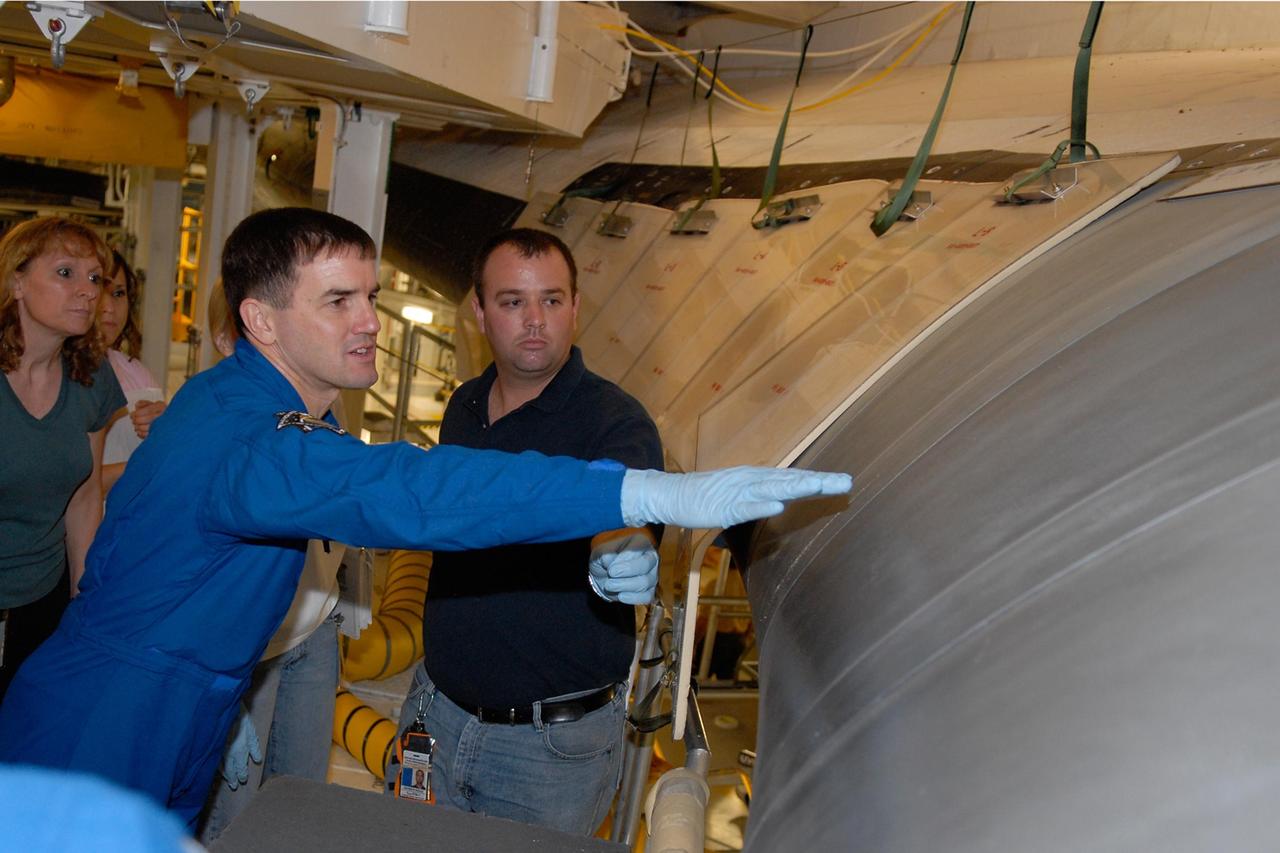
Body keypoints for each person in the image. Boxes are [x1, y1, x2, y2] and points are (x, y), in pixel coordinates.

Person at [0, 207, 849, 829]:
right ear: (260, 321)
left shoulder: (262, 406)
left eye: (370, 294)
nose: (370, 320)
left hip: (172, 704)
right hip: (109, 724)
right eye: (338, 302)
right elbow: (410, 490)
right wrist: (641, 494)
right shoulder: (247, 438)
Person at [387, 228, 662, 834]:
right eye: (513, 302)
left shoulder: (613, 422)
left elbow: (627, 501)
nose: (535, 320)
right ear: (481, 312)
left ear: (575, 308)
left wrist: (624, 545)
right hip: (435, 714)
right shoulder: (464, 406)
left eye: (552, 300)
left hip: (549, 754)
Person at [197, 280, 345, 843]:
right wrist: (219, 694)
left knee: (300, 805)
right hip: (248, 647)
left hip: (311, 630)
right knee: (233, 819)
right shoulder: (221, 424)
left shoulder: (321, 408)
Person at [0, 217, 123, 701]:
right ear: (16, 282)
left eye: (95, 278)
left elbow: (84, 494)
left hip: (41, 595)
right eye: (65, 273)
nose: (88, 292)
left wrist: (83, 594)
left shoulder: (90, 377)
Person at [97, 251, 166, 492]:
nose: (108, 308)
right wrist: (145, 465)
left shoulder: (135, 371)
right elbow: (63, 487)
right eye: (98, 289)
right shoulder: (51, 373)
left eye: (118, 293)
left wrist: (165, 425)